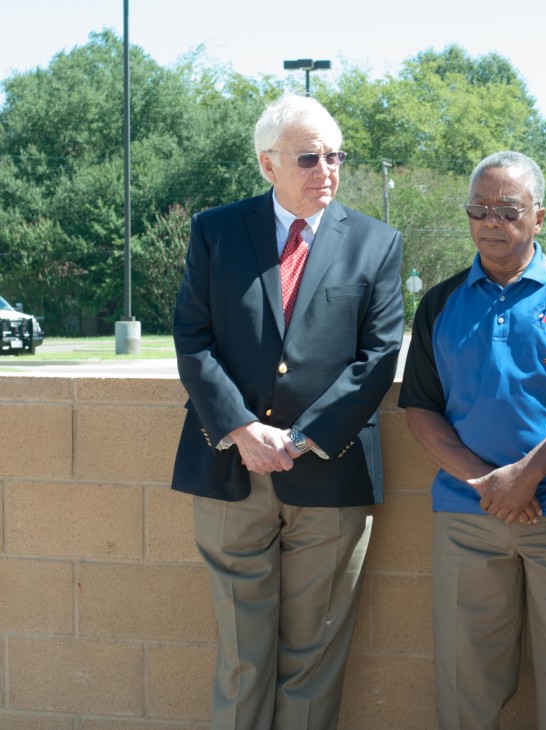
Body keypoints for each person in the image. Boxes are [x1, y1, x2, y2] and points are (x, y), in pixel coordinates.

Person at [171, 95, 404, 730]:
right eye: (309, 157)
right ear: (267, 164)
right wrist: (244, 430)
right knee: (244, 658)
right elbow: (192, 340)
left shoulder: (377, 243)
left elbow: (378, 358)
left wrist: (299, 440)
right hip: (230, 472)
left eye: (335, 156)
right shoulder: (217, 231)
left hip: (329, 475)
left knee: (313, 661)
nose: (326, 170)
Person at [398, 151, 546, 729]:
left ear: (539, 217)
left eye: (508, 209)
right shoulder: (441, 303)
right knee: (465, 678)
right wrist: (485, 481)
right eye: (479, 209)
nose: (490, 221)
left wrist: (526, 475)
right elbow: (421, 410)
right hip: (469, 513)